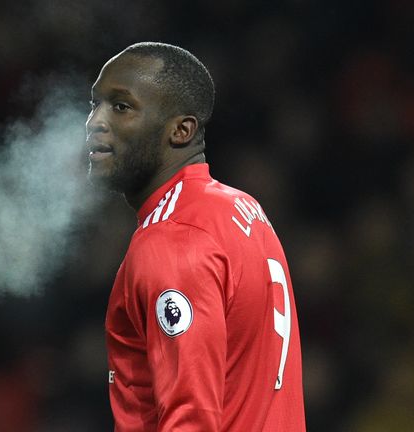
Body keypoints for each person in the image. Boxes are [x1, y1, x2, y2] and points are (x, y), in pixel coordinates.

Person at [87, 42, 305, 431]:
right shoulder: (239, 208)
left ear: (181, 130)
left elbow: (192, 420)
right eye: (95, 104)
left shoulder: (173, 240)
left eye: (120, 106)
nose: (95, 122)